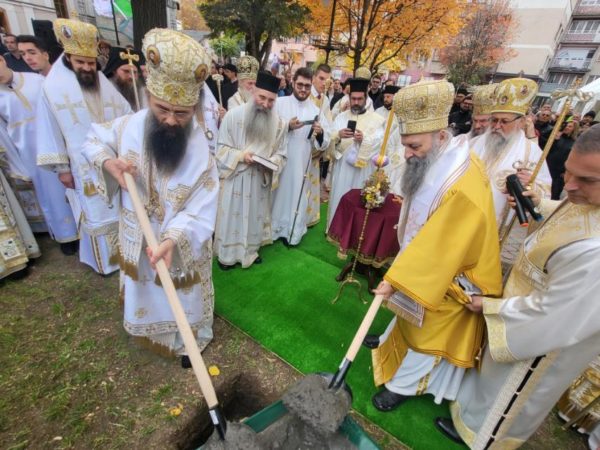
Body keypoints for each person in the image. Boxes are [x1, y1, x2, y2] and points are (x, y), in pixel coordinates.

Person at [437, 125, 600, 448]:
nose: (570, 185)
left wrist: (489, 306)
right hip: (522, 301)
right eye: (567, 172)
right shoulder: (588, 198)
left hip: (541, 336)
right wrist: (539, 204)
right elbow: (571, 221)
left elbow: (555, 317)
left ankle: (482, 436)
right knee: (490, 377)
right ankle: (469, 415)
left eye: (586, 180)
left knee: (509, 390)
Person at [82, 28, 219, 362]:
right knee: (146, 286)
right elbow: (92, 141)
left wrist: (172, 240)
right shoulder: (127, 127)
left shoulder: (201, 151)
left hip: (177, 239)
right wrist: (108, 163)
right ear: (149, 96)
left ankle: (186, 339)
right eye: (162, 109)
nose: (170, 120)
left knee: (183, 291)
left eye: (181, 113)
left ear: (194, 108)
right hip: (139, 233)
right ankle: (151, 330)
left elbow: (202, 207)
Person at [366, 79, 502, 412]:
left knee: (427, 325)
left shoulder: (462, 184)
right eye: (405, 146)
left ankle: (403, 385)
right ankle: (388, 346)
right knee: (406, 304)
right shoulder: (443, 155)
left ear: (441, 136)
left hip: (455, 276)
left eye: (414, 146)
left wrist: (396, 279)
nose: (407, 154)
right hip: (428, 259)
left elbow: (441, 249)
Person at [36, 19, 132, 275]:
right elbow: (50, 130)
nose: (88, 68)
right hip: (83, 165)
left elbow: (125, 112)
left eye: (91, 62)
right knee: (96, 210)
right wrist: (62, 169)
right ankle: (107, 262)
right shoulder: (53, 87)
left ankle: (128, 254)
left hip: (113, 159)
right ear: (68, 57)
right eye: (81, 63)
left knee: (120, 206)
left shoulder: (101, 81)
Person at [0, 54, 78, 254]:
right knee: (50, 195)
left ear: (2, 60)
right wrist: (17, 165)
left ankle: (84, 231)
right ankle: (66, 236)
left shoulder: (36, 81)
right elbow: (3, 137)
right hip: (29, 153)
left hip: (57, 141)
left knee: (74, 186)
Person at [471, 78, 551, 264]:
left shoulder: (531, 153)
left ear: (521, 121)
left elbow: (545, 194)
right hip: (463, 220)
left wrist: (531, 186)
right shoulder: (475, 144)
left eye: (504, 121)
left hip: (496, 230)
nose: (497, 126)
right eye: (494, 120)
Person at [214, 71, 288, 269]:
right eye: (262, 97)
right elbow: (220, 150)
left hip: (259, 180)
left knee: (254, 218)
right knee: (232, 217)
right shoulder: (233, 116)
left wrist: (270, 162)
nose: (265, 104)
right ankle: (227, 256)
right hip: (235, 178)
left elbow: (282, 154)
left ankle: (251, 252)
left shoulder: (280, 124)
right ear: (253, 90)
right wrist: (241, 156)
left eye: (271, 100)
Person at [272, 67, 330, 245]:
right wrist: (287, 127)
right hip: (279, 160)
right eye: (300, 85)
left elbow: (325, 142)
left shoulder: (316, 111)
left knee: (296, 193)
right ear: (293, 83)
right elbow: (267, 129)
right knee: (277, 194)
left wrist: (320, 133)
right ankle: (272, 230)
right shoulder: (279, 103)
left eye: (307, 86)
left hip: (301, 161)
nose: (303, 89)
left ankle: (292, 232)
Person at [326, 78, 386, 230]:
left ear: (366, 98)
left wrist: (364, 139)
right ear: (349, 98)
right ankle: (335, 228)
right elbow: (330, 138)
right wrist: (338, 135)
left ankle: (355, 232)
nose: (356, 102)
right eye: (353, 99)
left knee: (359, 199)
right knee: (340, 194)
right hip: (342, 167)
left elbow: (380, 143)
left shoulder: (376, 120)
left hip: (362, 169)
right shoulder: (341, 117)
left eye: (360, 99)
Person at [103, 46, 146, 112]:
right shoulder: (104, 90)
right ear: (114, 71)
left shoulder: (143, 93)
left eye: (134, 72)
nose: (131, 76)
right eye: (126, 71)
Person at [547, 120, 579, 200]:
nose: (567, 127)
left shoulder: (575, 143)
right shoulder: (557, 137)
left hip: (560, 172)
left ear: (574, 129)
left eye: (570, 126)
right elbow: (547, 150)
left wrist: (566, 171)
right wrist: (555, 140)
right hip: (548, 166)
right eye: (566, 125)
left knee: (554, 193)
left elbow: (573, 159)